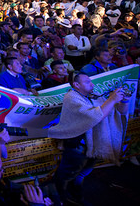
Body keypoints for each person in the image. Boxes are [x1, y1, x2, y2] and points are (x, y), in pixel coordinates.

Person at [49, 71, 129, 204]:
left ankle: (76, 197)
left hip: (92, 145)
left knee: (81, 174)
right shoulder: (71, 97)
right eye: (87, 82)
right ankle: (62, 199)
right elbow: (96, 116)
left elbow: (121, 111)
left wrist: (123, 100)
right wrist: (112, 99)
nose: (92, 84)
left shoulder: (91, 96)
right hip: (77, 146)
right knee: (66, 176)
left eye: (91, 81)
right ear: (76, 84)